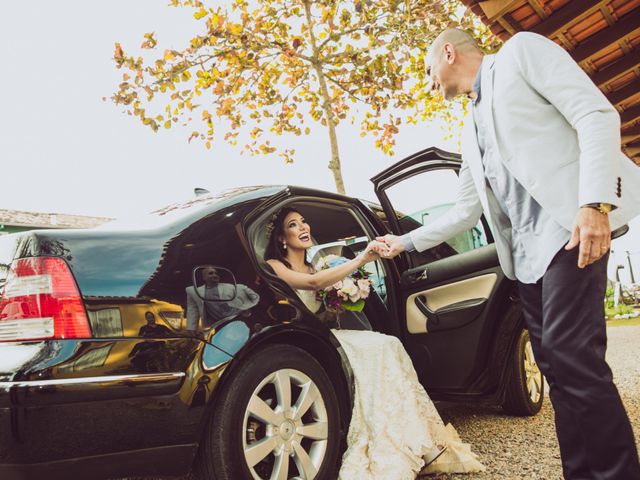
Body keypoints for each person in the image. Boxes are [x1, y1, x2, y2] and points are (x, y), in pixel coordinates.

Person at [377, 29, 640, 479]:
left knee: (573, 358)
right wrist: (403, 242)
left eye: (428, 70)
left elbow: (595, 115)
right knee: (557, 371)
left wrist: (595, 204)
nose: (428, 82)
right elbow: (464, 212)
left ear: (448, 51)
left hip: (570, 231)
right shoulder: (469, 129)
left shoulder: (521, 52)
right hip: (527, 263)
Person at [265, 207, 485, 479]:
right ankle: (398, 442)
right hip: (308, 341)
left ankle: (418, 442)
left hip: (329, 334)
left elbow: (322, 306)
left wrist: (342, 297)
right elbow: (312, 283)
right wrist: (362, 259)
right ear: (281, 238)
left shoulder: (317, 264)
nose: (303, 227)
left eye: (304, 221)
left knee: (389, 344)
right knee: (379, 348)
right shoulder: (276, 266)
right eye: (293, 224)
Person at [185, 266, 260, 331]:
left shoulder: (232, 287)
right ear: (204, 277)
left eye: (216, 273)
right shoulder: (195, 292)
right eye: (210, 273)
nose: (215, 275)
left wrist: (244, 309)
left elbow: (253, 299)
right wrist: (191, 328)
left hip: (235, 320)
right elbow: (192, 309)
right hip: (217, 326)